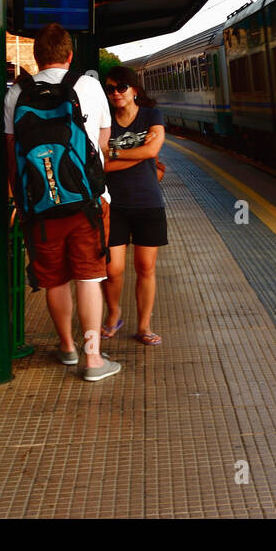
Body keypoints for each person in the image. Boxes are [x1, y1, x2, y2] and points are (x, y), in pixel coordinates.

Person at [4, 22, 121, 382]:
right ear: (70, 56)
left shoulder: (15, 94)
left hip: (39, 205)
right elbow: (102, 144)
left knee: (54, 279)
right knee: (89, 277)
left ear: (37, 57)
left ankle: (67, 348)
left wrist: (23, 201)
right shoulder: (87, 85)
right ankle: (93, 359)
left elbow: (11, 155)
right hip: (88, 202)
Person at [100, 66, 168, 346]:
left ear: (135, 90)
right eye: (111, 89)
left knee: (145, 267)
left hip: (148, 201)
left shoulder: (152, 115)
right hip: (114, 204)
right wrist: (138, 154)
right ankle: (114, 314)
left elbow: (153, 151)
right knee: (112, 269)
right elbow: (100, 164)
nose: (116, 93)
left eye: (121, 87)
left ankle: (144, 326)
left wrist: (116, 152)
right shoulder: (106, 120)